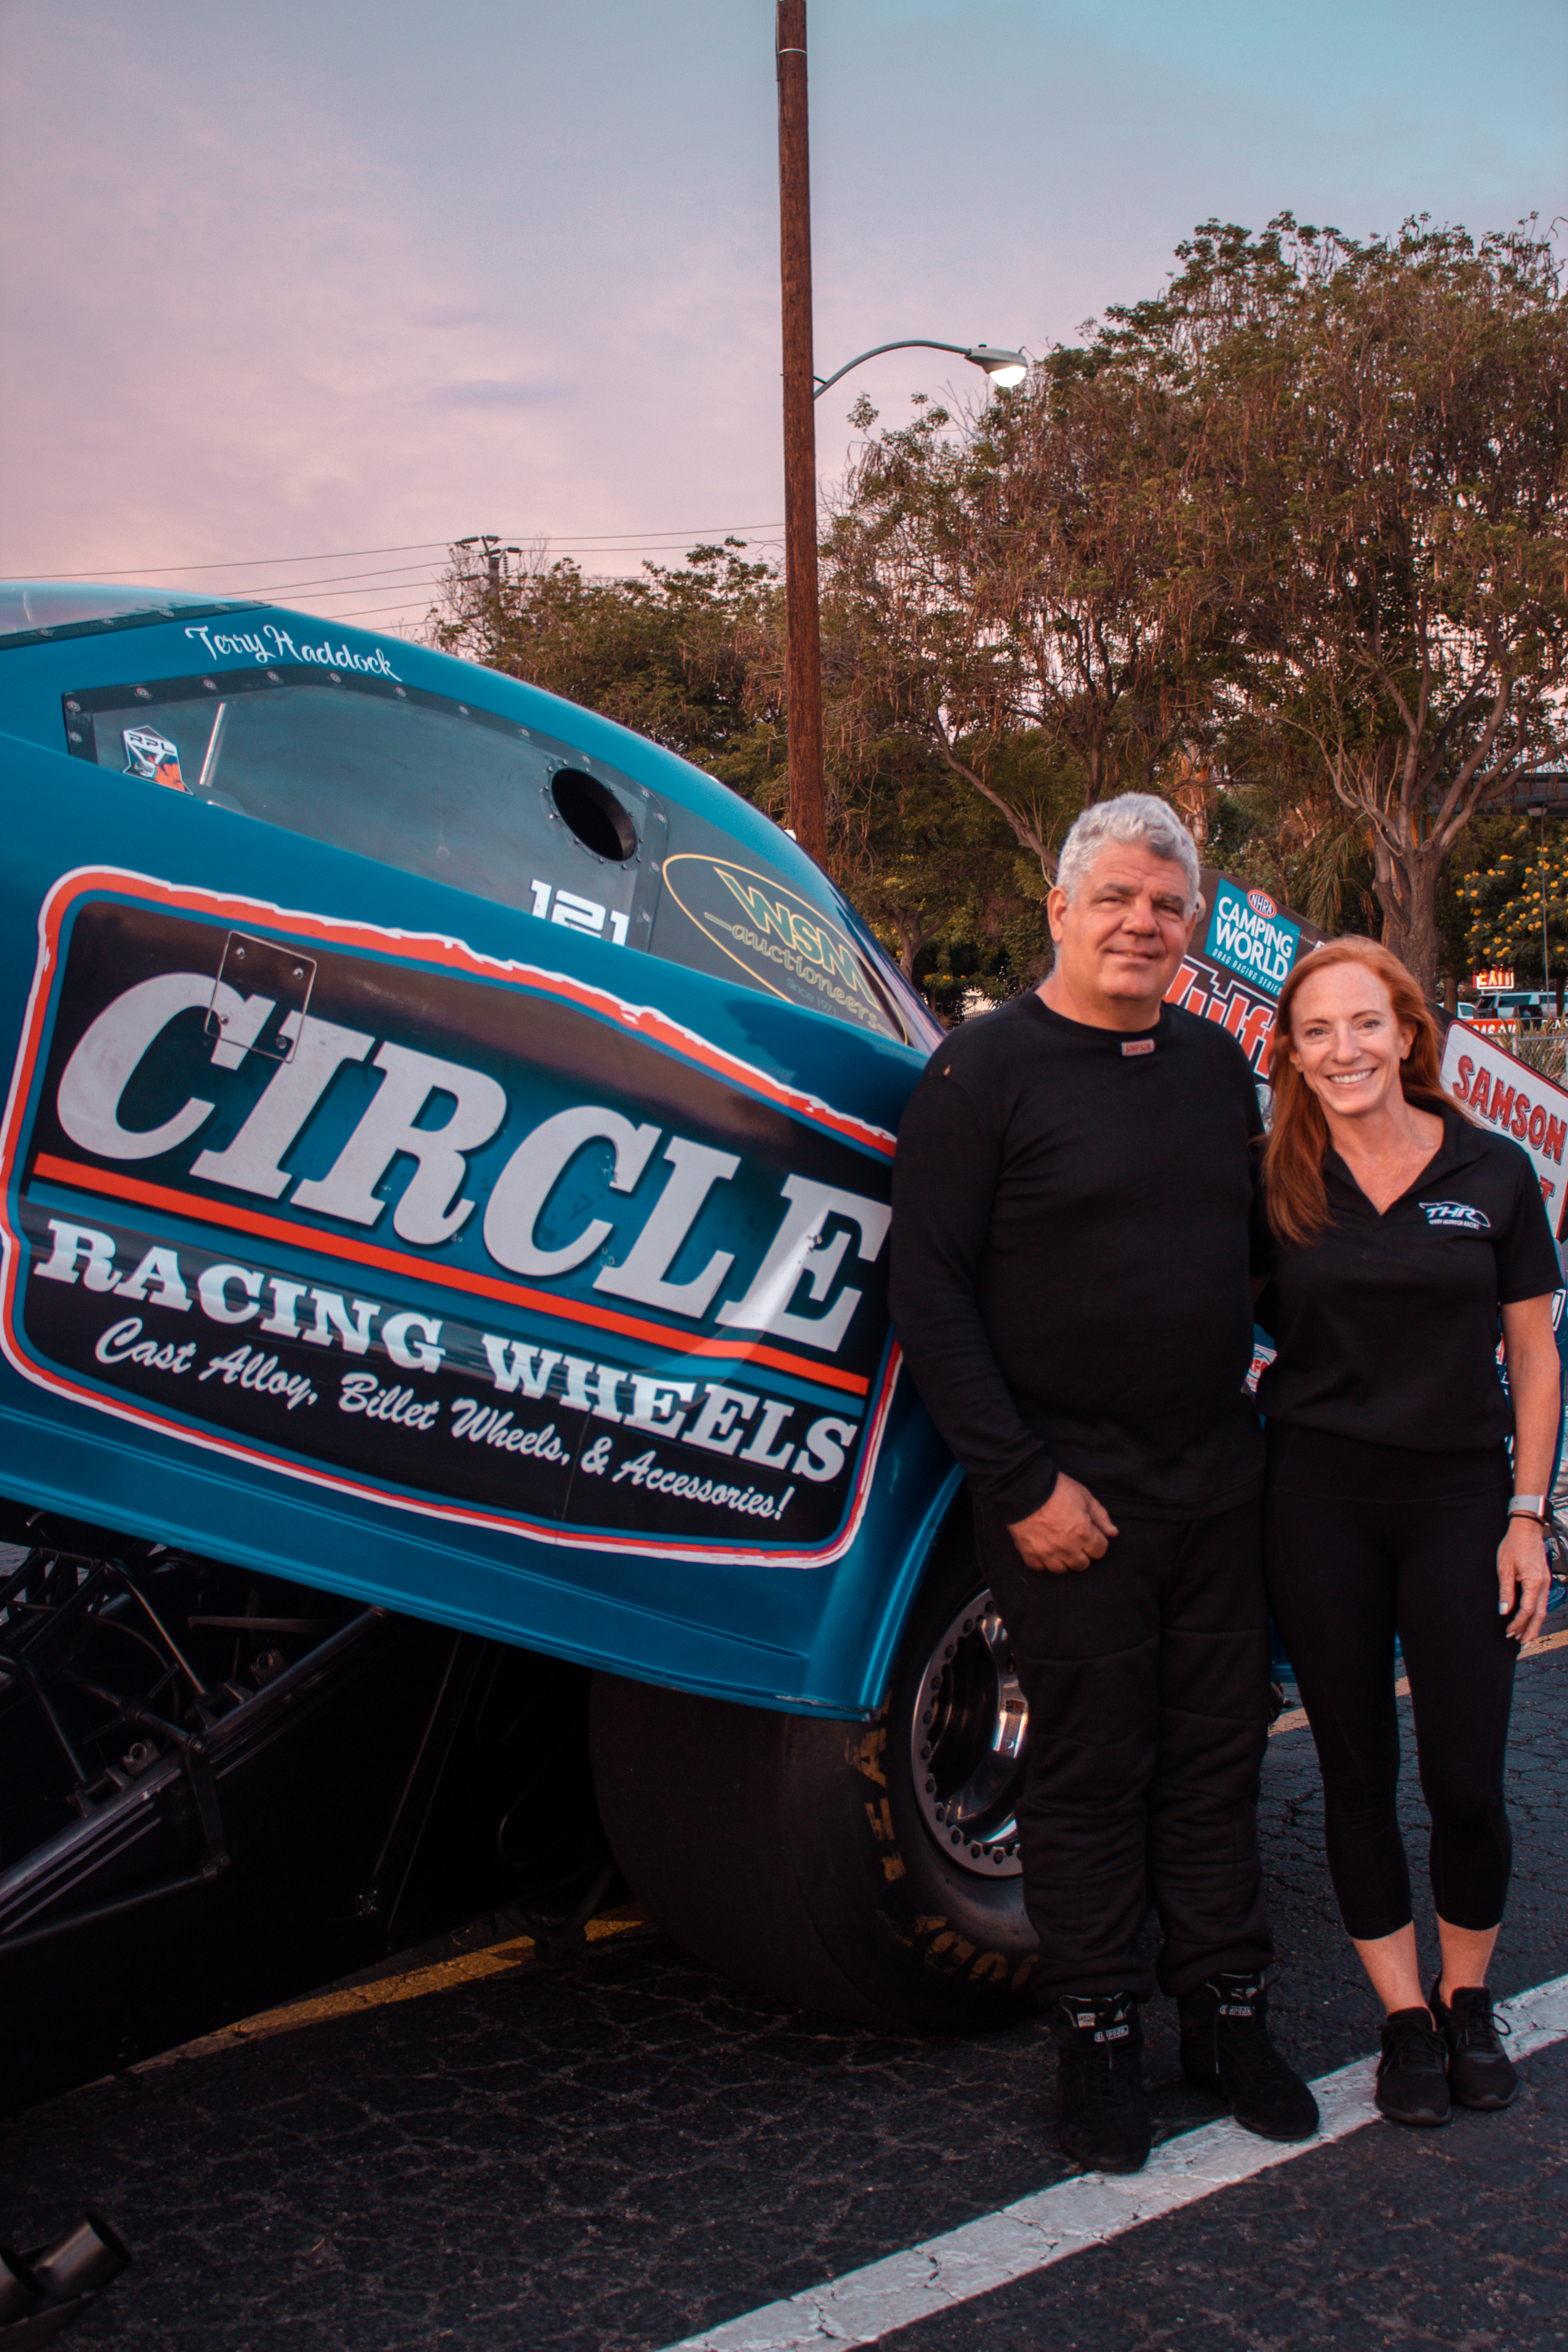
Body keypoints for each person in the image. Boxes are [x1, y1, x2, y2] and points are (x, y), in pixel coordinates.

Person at [889, 793, 1317, 2175]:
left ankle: (1225, 2011)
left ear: (1192, 927)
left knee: (1215, 1753)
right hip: (1064, 1500)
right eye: (1120, 898)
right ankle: (1097, 2038)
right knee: (1088, 1767)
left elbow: (1265, 1255)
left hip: (1217, 1482)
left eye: (1170, 904)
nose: (1145, 923)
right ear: (1059, 910)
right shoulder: (980, 1073)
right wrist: (1019, 1484)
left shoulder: (1212, 1070)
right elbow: (930, 1294)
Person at [1256, 937, 1559, 2127]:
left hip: (1459, 1505)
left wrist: (1529, 1513)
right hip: (1316, 1502)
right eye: (1317, 1031)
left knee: (1468, 1781)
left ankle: (1469, 1996)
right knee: (1356, 1773)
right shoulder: (1271, 1174)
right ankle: (1401, 2016)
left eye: (1365, 1025)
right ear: (1293, 1050)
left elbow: (1534, 1352)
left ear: (1408, 1032)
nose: (1344, 1051)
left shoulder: (1494, 1171)